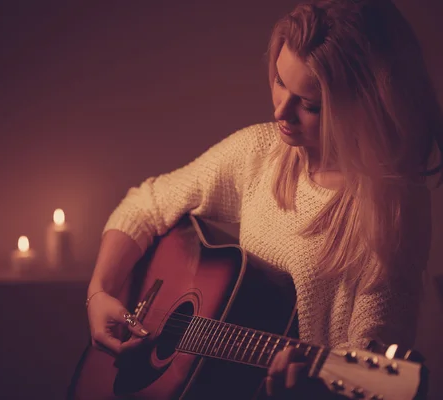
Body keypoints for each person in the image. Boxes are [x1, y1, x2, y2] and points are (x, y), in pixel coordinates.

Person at [85, 0, 442, 398]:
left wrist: (313, 390)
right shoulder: (259, 153)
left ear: (364, 105)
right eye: (279, 81)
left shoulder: (391, 209)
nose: (280, 112)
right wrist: (100, 292)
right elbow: (145, 203)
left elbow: (370, 353)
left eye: (309, 105)